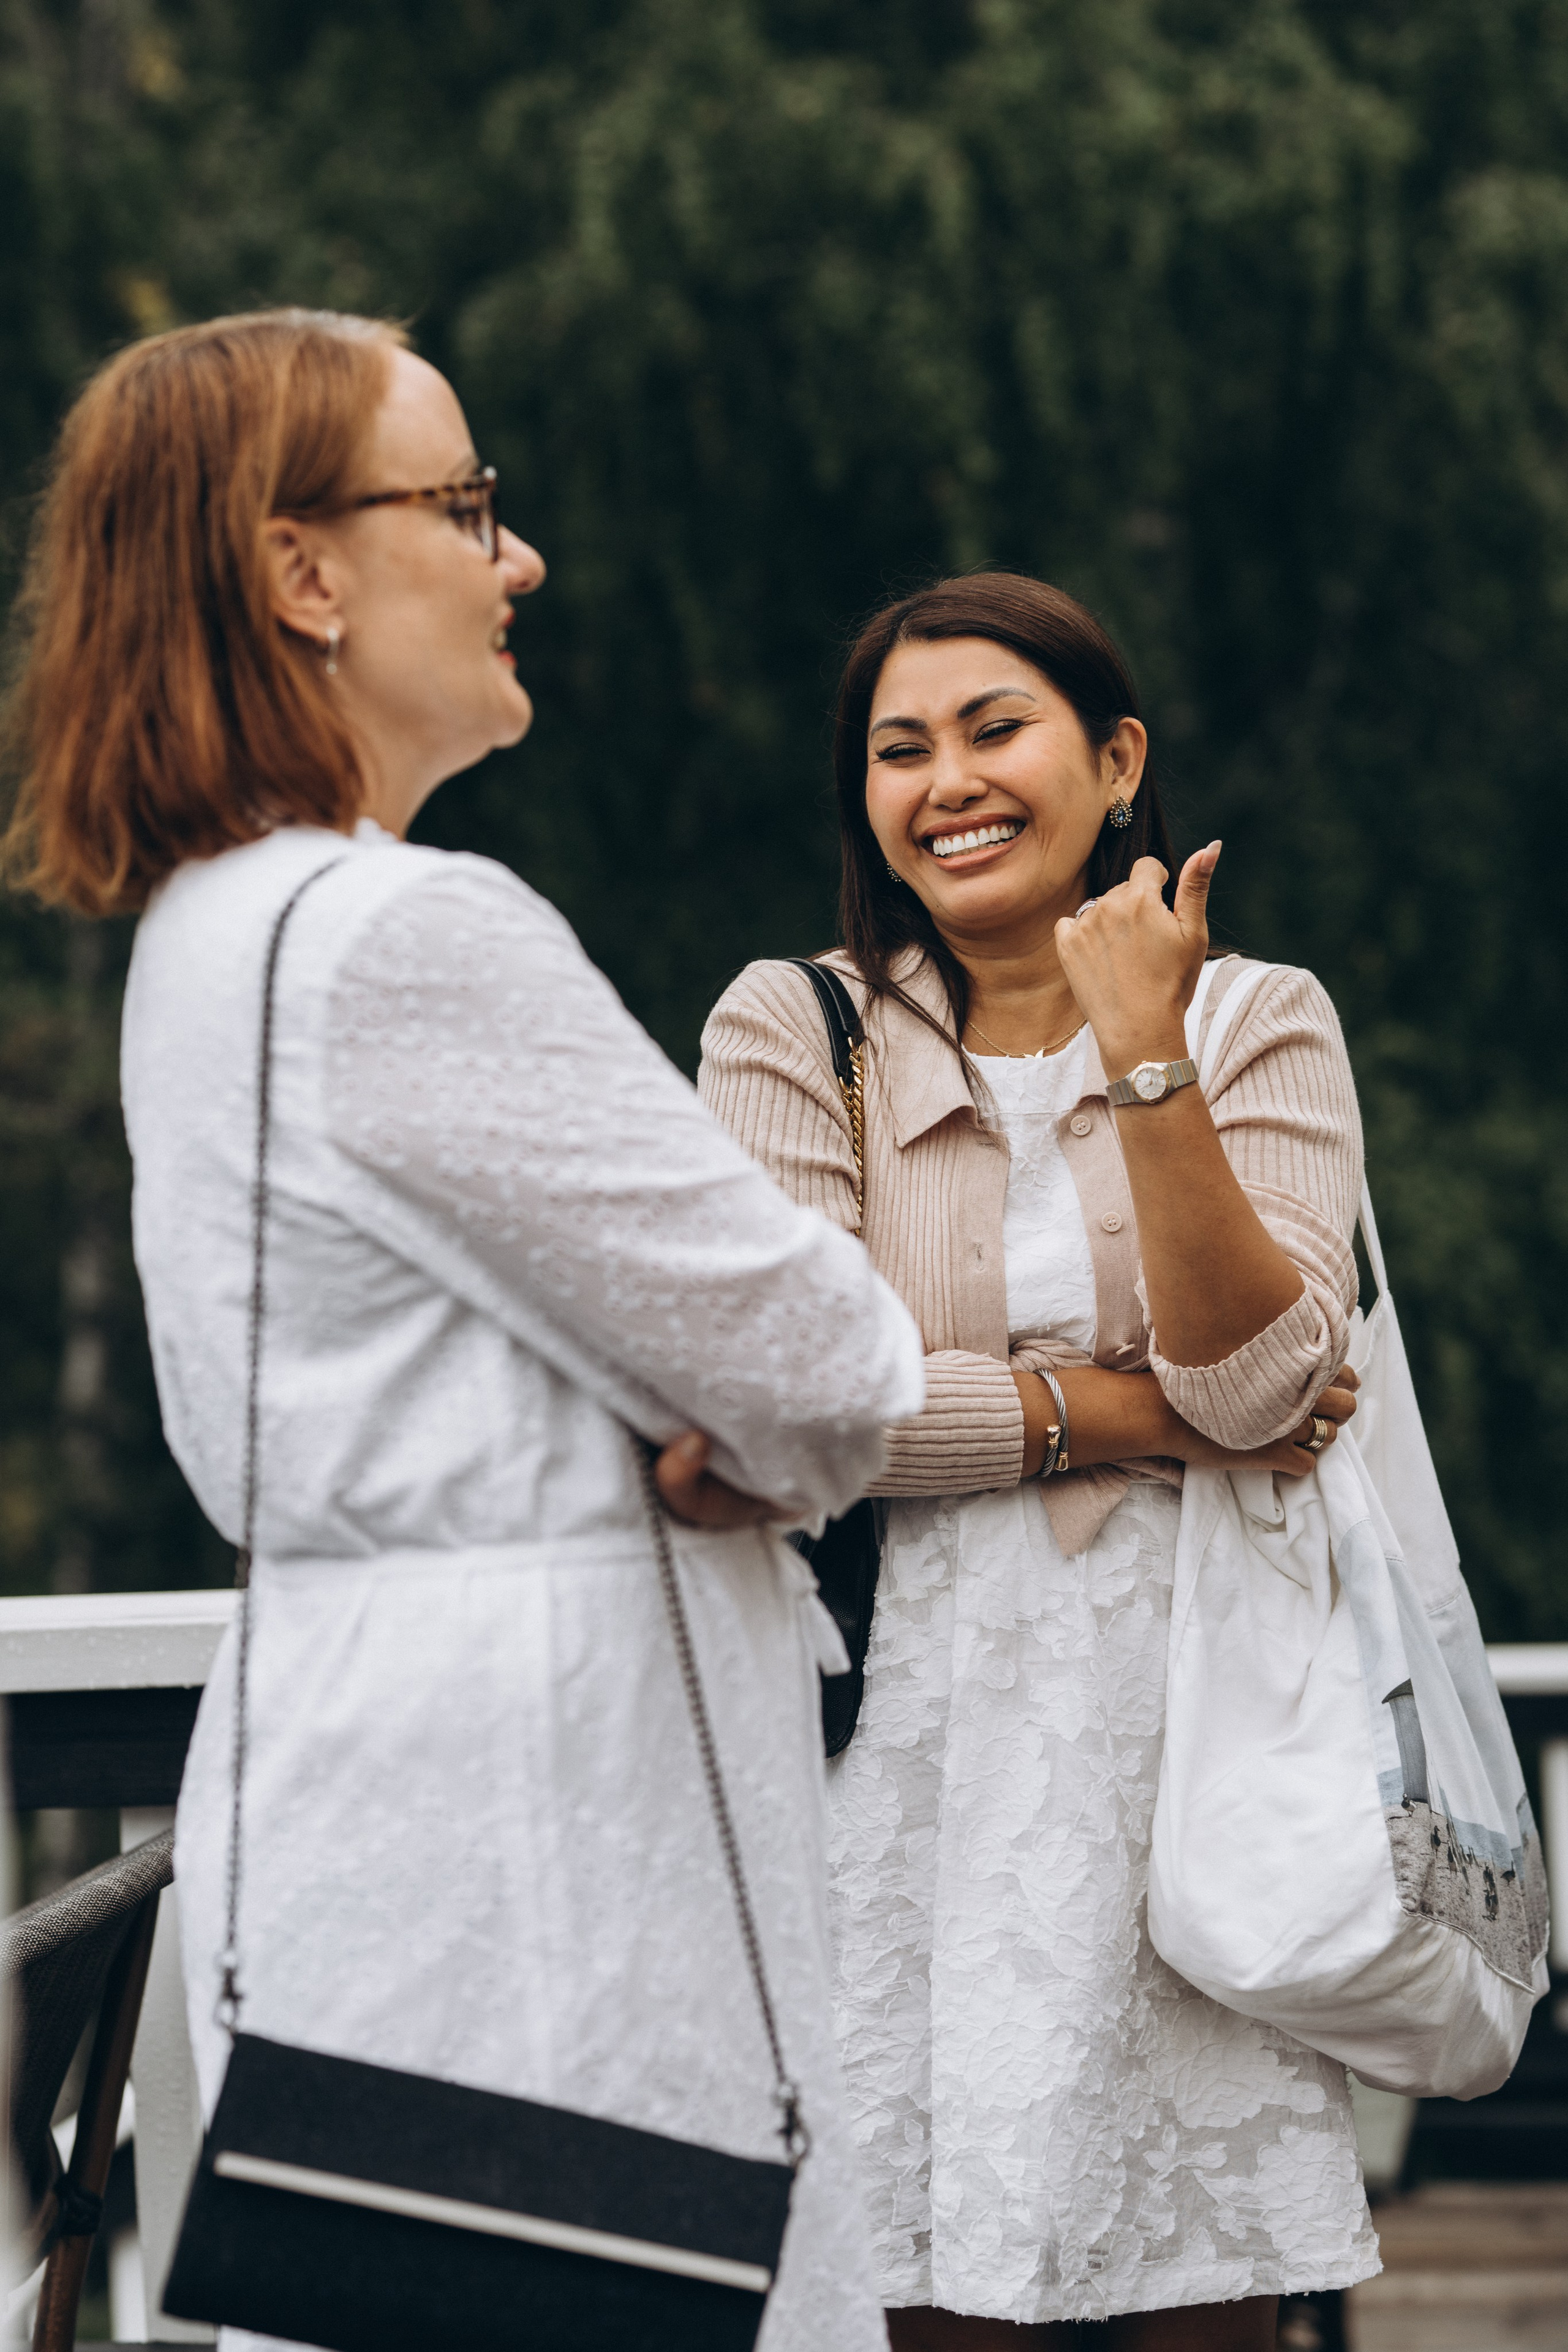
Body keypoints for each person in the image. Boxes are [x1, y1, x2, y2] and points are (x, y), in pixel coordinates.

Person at [1, 307, 928, 2352]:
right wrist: (730, 1429)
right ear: (298, 571)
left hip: (374, 1836)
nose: (519, 562)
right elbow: (842, 1364)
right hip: (554, 1872)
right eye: (467, 504)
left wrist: (711, 1410)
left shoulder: (205, 938)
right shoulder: (409, 936)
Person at [699, 573, 1382, 2349]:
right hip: (886, 1759)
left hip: (1185, 1747)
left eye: (993, 729)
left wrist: (1145, 1046)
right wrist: (1122, 1412)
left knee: (1199, 2298)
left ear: (1117, 756)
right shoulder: (791, 1031)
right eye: (898, 749)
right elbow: (792, 1411)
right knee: (908, 2292)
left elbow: (1263, 1382)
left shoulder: (1261, 1022)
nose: (948, 782)